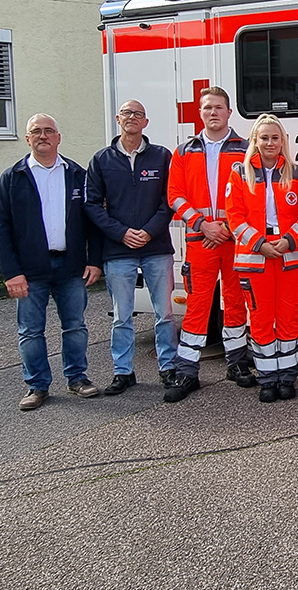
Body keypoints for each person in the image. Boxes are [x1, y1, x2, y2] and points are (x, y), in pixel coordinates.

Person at [0, 113, 103, 410]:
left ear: (58, 137)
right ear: (27, 139)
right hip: (29, 271)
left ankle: (77, 378)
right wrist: (11, 273)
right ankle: (37, 386)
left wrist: (94, 260)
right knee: (30, 330)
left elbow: (93, 222)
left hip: (71, 267)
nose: (43, 136)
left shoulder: (76, 174)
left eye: (48, 131)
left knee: (75, 326)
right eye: (36, 131)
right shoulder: (12, 178)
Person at [165, 86, 253, 402]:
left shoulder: (245, 149)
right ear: (199, 113)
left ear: (230, 112)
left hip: (232, 239)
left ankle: (238, 363)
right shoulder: (184, 151)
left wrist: (228, 227)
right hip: (199, 239)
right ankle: (187, 371)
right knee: (197, 304)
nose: (212, 112)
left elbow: (251, 195)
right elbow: (175, 195)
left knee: (235, 300)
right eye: (207, 108)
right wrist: (203, 224)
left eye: (218, 107)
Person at [84, 100, 176, 395]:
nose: (132, 118)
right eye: (127, 113)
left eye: (138, 114)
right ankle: (123, 372)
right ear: (118, 119)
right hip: (118, 250)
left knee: (165, 313)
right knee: (122, 315)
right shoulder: (102, 160)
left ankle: (168, 367)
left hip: (156, 246)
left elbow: (169, 200)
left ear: (145, 122)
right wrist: (122, 233)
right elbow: (92, 205)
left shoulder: (162, 156)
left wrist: (148, 232)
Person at [226, 114, 298, 403]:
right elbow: (234, 218)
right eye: (264, 138)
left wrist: (288, 240)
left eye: (275, 138)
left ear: (283, 141)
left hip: (290, 256)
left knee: (288, 319)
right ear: (255, 141)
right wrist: (260, 244)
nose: (270, 143)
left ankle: (287, 377)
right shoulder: (240, 173)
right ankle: (267, 378)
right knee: (261, 320)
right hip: (255, 258)